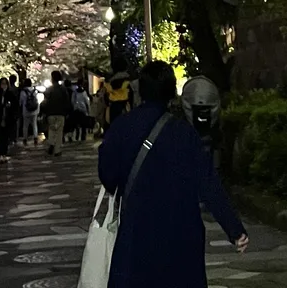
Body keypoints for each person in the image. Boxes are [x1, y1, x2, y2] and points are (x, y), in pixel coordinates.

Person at [98, 60, 247, 288]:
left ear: (142, 90)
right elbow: (207, 182)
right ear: (171, 92)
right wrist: (234, 229)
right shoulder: (184, 133)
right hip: (181, 234)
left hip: (137, 232)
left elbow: (107, 175)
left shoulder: (122, 127)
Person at [41, 71, 70, 157]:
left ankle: (51, 143)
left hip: (51, 113)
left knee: (52, 130)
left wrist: (45, 112)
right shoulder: (63, 89)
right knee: (59, 131)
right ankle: (57, 150)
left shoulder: (49, 90)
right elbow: (67, 102)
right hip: (61, 113)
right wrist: (67, 112)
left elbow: (45, 102)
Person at [18, 77, 39, 144]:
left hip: (26, 111)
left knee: (25, 125)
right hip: (34, 111)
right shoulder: (34, 91)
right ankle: (35, 137)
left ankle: (25, 138)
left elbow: (20, 102)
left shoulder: (23, 92)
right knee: (34, 124)